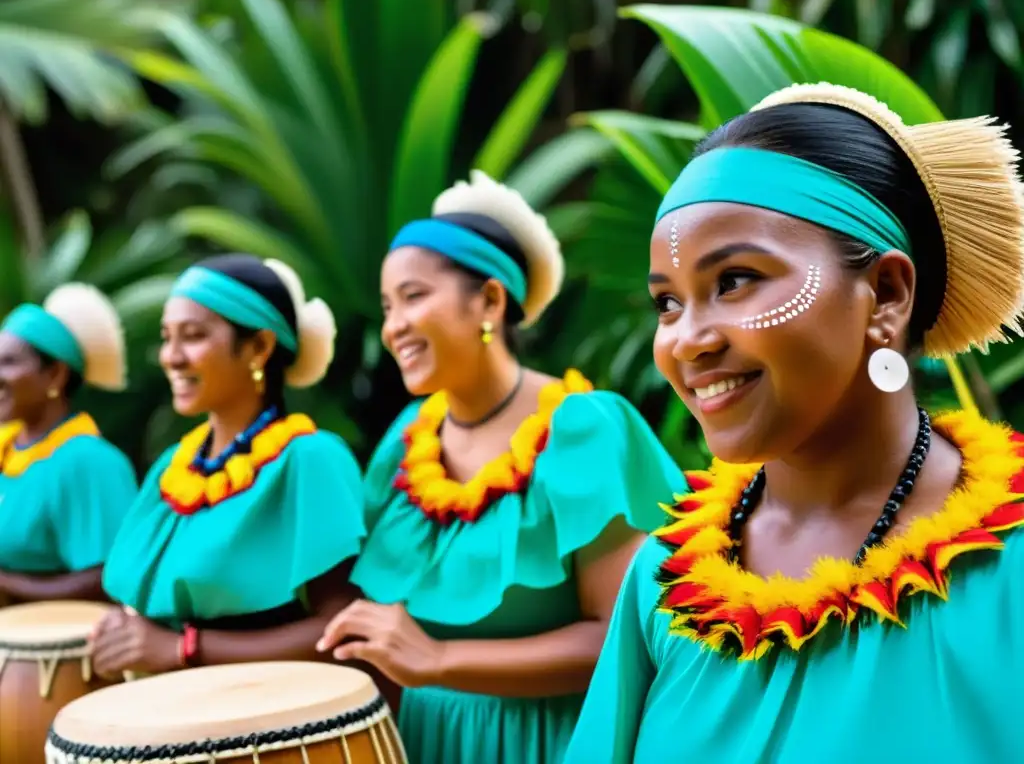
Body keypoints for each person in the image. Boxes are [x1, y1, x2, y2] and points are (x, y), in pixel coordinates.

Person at [563, 83, 1024, 762]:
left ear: (887, 296)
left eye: (735, 281)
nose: (687, 339)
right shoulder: (664, 581)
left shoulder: (1008, 569)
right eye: (667, 302)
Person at [316, 170, 684, 762]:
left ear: (489, 300)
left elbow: (625, 640)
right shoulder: (403, 446)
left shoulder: (583, 431)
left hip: (549, 744)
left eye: (413, 297)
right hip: (423, 740)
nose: (393, 327)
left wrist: (439, 661)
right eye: (388, 307)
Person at [91, 254, 365, 678]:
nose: (172, 357)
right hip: (178, 720)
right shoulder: (172, 468)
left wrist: (186, 648)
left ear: (259, 347)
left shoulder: (309, 460)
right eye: (167, 337)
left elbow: (344, 631)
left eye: (194, 336)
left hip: (275, 726)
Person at [0, 283, 136, 605]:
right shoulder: (8, 449)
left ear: (56, 375)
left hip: (56, 646)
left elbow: (112, 578)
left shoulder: (89, 460)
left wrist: (9, 584)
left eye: (8, 362)